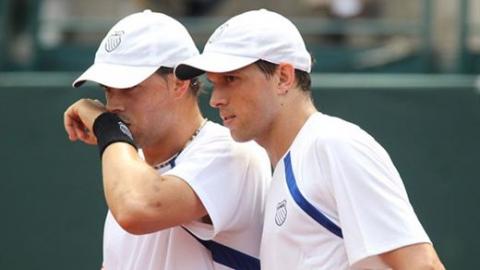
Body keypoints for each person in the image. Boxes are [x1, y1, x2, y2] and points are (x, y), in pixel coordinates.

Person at [175, 9, 445, 270]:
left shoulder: (334, 145)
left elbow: (422, 265)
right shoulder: (289, 167)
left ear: (283, 77)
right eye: (214, 83)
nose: (215, 99)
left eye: (231, 79)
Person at [63, 10, 271, 270]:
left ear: (179, 83)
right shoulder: (131, 169)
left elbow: (136, 208)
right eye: (108, 90)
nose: (113, 104)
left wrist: (107, 127)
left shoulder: (233, 152)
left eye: (129, 88)